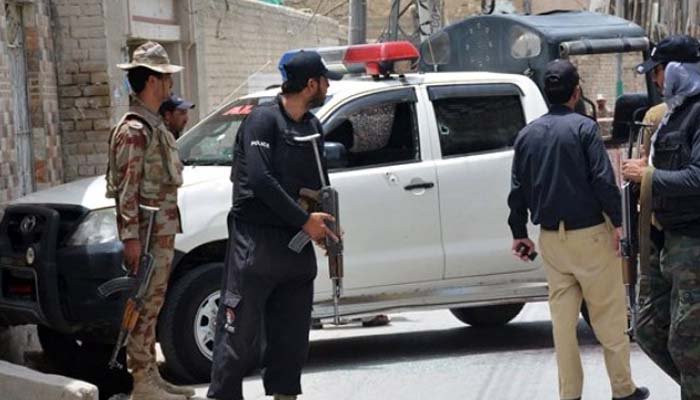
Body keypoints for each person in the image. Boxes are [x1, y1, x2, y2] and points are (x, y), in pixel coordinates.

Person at [507, 59, 649, 400]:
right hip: (591, 237)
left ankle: (570, 394)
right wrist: (619, 223)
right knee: (609, 316)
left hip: (552, 242)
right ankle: (622, 389)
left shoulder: (527, 135)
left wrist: (519, 233)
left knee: (562, 325)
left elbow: (518, 189)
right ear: (577, 92)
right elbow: (602, 179)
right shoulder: (585, 129)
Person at [207, 50, 342, 400]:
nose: (328, 86)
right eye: (324, 80)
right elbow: (261, 180)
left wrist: (326, 226)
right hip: (256, 244)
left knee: (291, 341)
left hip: (295, 250)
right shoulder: (262, 121)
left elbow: (320, 186)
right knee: (237, 336)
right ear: (310, 84)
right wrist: (305, 221)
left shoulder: (312, 127)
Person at [106, 41, 194, 400]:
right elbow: (127, 189)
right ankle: (142, 381)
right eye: (166, 78)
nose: (171, 84)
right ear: (153, 81)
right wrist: (130, 237)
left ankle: (151, 376)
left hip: (160, 231)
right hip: (145, 235)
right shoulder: (135, 130)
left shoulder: (153, 125)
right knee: (142, 304)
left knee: (152, 304)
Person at [622, 39, 700, 399]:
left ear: (677, 71)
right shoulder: (674, 113)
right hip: (667, 239)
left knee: (688, 341)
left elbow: (696, 177)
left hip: (693, 242)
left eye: (659, 71)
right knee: (650, 329)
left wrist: (649, 175)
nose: (655, 79)